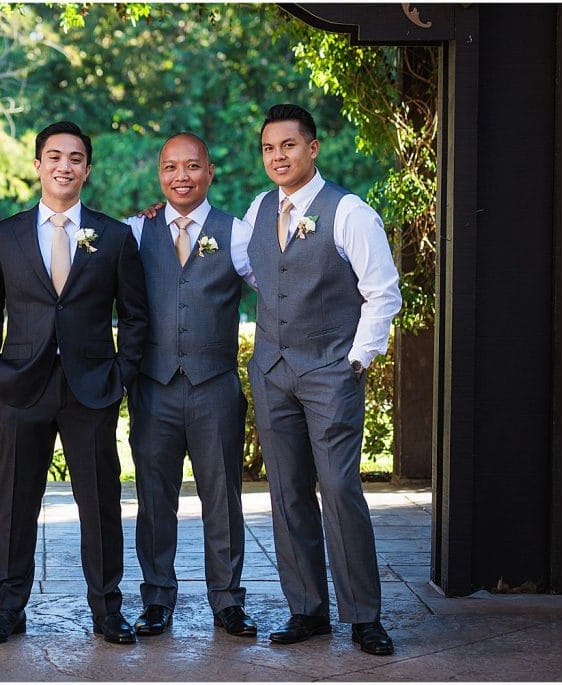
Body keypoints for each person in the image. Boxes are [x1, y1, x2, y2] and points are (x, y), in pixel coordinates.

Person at [0, 121, 148, 645]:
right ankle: (7, 608)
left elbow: (135, 317)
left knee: (100, 502)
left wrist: (120, 375)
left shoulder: (114, 236)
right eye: (54, 157)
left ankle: (107, 609)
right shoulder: (4, 235)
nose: (64, 166)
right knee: (15, 500)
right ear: (38, 166)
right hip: (21, 387)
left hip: (91, 388)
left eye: (75, 158)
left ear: (87, 169)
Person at [243, 103, 401, 656]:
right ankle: (307, 609)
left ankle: (363, 616)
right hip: (271, 372)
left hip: (331, 371)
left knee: (338, 488)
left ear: (312, 148)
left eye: (288, 145)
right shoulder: (259, 208)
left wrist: (356, 361)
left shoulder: (349, 211)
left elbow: (382, 292)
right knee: (286, 493)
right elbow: (242, 264)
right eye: (268, 148)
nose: (277, 156)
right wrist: (156, 221)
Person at [123, 132, 258, 638]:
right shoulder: (137, 231)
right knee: (154, 499)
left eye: (192, 166)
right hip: (153, 386)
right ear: (160, 174)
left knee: (223, 496)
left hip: (215, 385)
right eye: (171, 167)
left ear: (210, 171)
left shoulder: (238, 233)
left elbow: (281, 286)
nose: (181, 176)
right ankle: (157, 600)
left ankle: (227, 602)